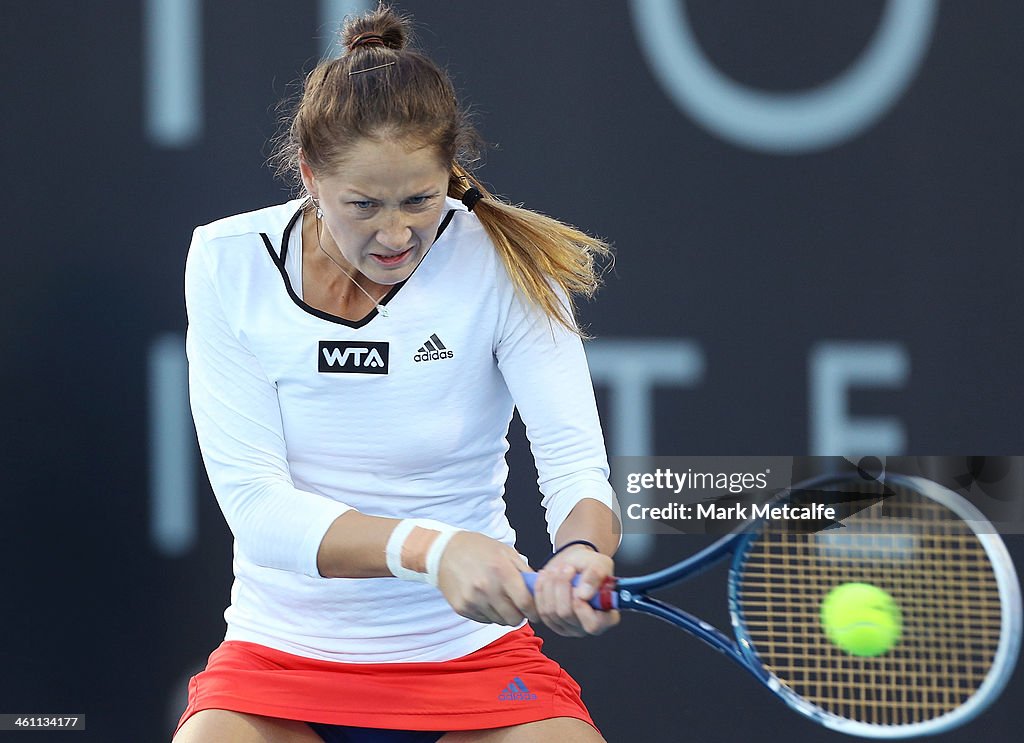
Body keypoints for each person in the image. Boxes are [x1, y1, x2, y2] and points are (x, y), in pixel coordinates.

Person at [173, 5, 620, 742]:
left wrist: (582, 551)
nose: (396, 233)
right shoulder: (229, 262)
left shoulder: (506, 262)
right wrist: (435, 551)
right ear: (311, 179)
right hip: (279, 663)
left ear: (448, 170)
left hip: (475, 660)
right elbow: (256, 506)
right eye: (364, 205)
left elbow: (575, 463)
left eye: (419, 199)